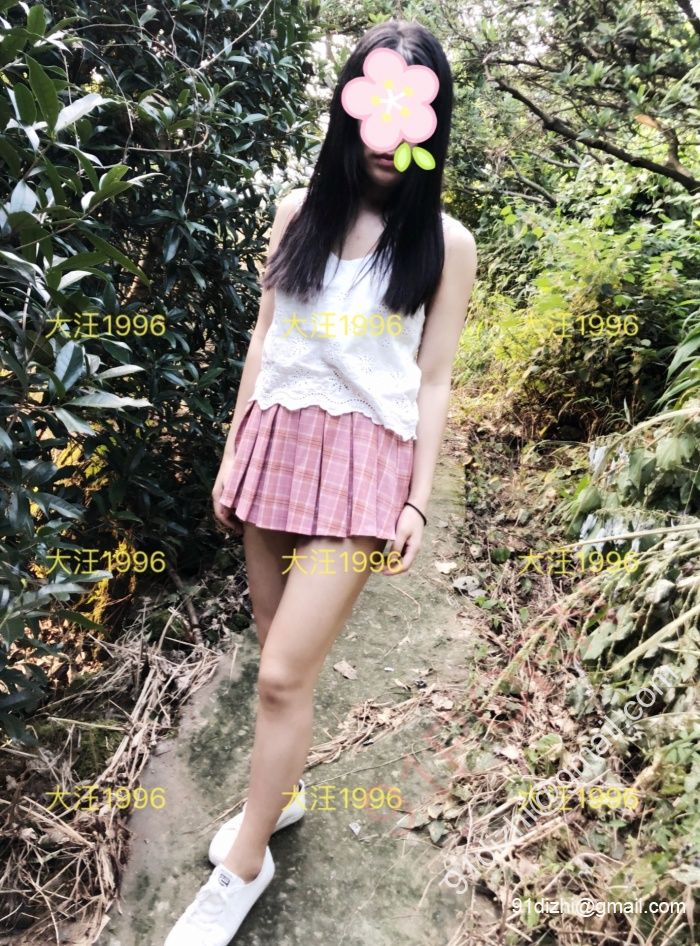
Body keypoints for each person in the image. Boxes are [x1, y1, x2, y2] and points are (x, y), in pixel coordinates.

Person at [165, 17, 477, 946]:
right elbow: (267, 337)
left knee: (278, 675)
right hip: (277, 440)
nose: (393, 135)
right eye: (378, 110)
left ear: (433, 124)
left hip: (363, 462)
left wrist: (416, 497)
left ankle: (243, 865)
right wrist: (233, 449)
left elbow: (433, 378)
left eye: (414, 115)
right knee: (278, 653)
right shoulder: (297, 213)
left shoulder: (445, 242)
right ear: (350, 110)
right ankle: (286, 794)